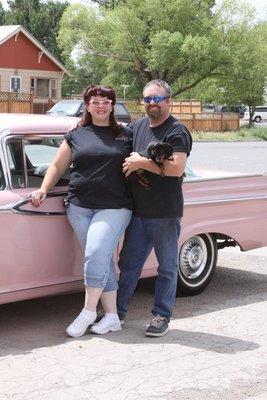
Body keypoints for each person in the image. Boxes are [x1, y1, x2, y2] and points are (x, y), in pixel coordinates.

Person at [29, 85, 133, 337]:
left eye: (106, 101)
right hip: (79, 206)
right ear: (87, 105)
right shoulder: (76, 133)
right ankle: (111, 317)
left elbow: (142, 161)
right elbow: (56, 165)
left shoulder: (125, 134)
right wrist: (43, 189)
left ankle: (87, 311)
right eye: (95, 101)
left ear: (112, 105)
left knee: (96, 251)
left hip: (115, 206)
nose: (101, 106)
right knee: (100, 257)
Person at [117, 79, 192, 337]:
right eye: (147, 99)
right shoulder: (137, 126)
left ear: (169, 101)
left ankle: (161, 316)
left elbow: (177, 168)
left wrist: (142, 162)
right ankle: (117, 312)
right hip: (138, 212)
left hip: (165, 213)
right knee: (128, 264)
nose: (152, 103)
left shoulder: (177, 130)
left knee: (167, 268)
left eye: (157, 99)